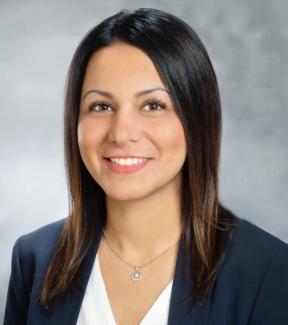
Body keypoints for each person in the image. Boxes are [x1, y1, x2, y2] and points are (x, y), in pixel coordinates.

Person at [3, 7, 288, 325]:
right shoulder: (35, 259)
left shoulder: (268, 270)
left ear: (197, 119)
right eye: (101, 106)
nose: (121, 133)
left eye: (153, 105)